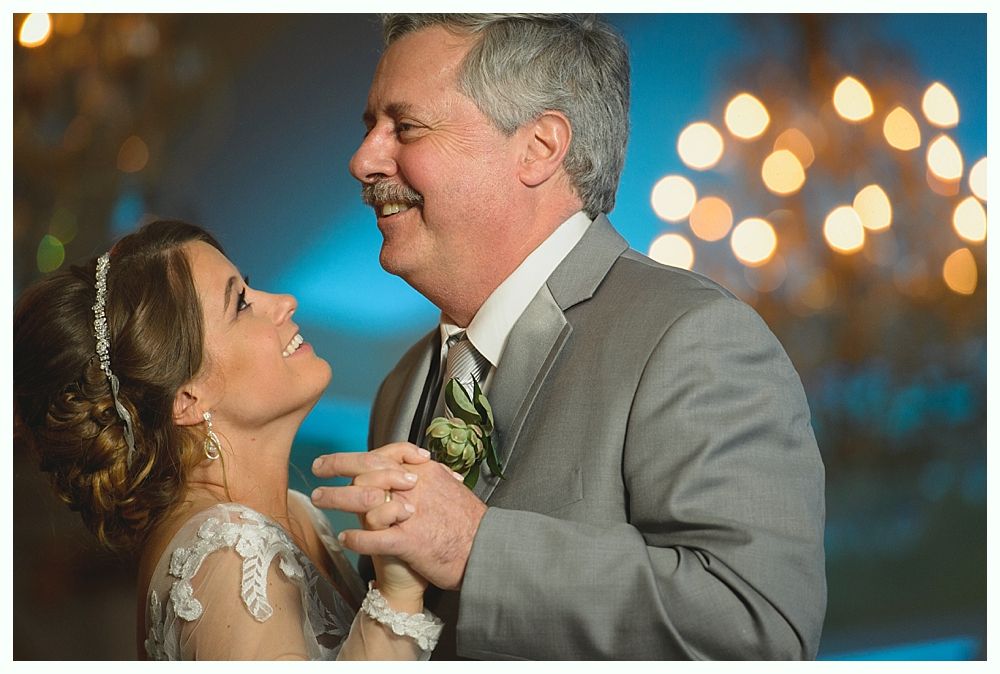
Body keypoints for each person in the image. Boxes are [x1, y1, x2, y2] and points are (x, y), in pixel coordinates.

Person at [310, 13, 827, 660]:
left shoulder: (695, 339)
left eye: (404, 127)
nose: (363, 160)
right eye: (369, 128)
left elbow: (757, 629)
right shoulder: (403, 384)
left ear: (540, 147)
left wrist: (477, 550)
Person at [12, 219, 446, 660]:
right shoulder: (230, 554)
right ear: (187, 398)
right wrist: (397, 598)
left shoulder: (297, 514)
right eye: (240, 303)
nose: (285, 303)